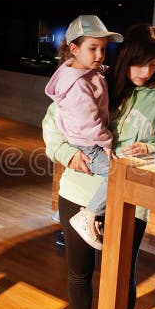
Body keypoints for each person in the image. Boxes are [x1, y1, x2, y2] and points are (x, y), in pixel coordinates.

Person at [43, 23, 155, 309]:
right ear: (124, 60)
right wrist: (67, 155)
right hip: (77, 190)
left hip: (128, 200)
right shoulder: (97, 81)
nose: (145, 72)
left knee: (122, 275)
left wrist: (152, 150)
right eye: (139, 64)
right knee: (79, 271)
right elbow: (52, 123)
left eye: (153, 65)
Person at [44, 15, 123, 250]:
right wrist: (108, 143)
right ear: (74, 49)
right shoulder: (79, 86)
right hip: (88, 143)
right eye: (92, 48)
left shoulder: (81, 71)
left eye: (103, 49)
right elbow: (90, 124)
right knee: (116, 173)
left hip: (83, 140)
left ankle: (63, 215)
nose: (99, 55)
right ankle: (89, 215)